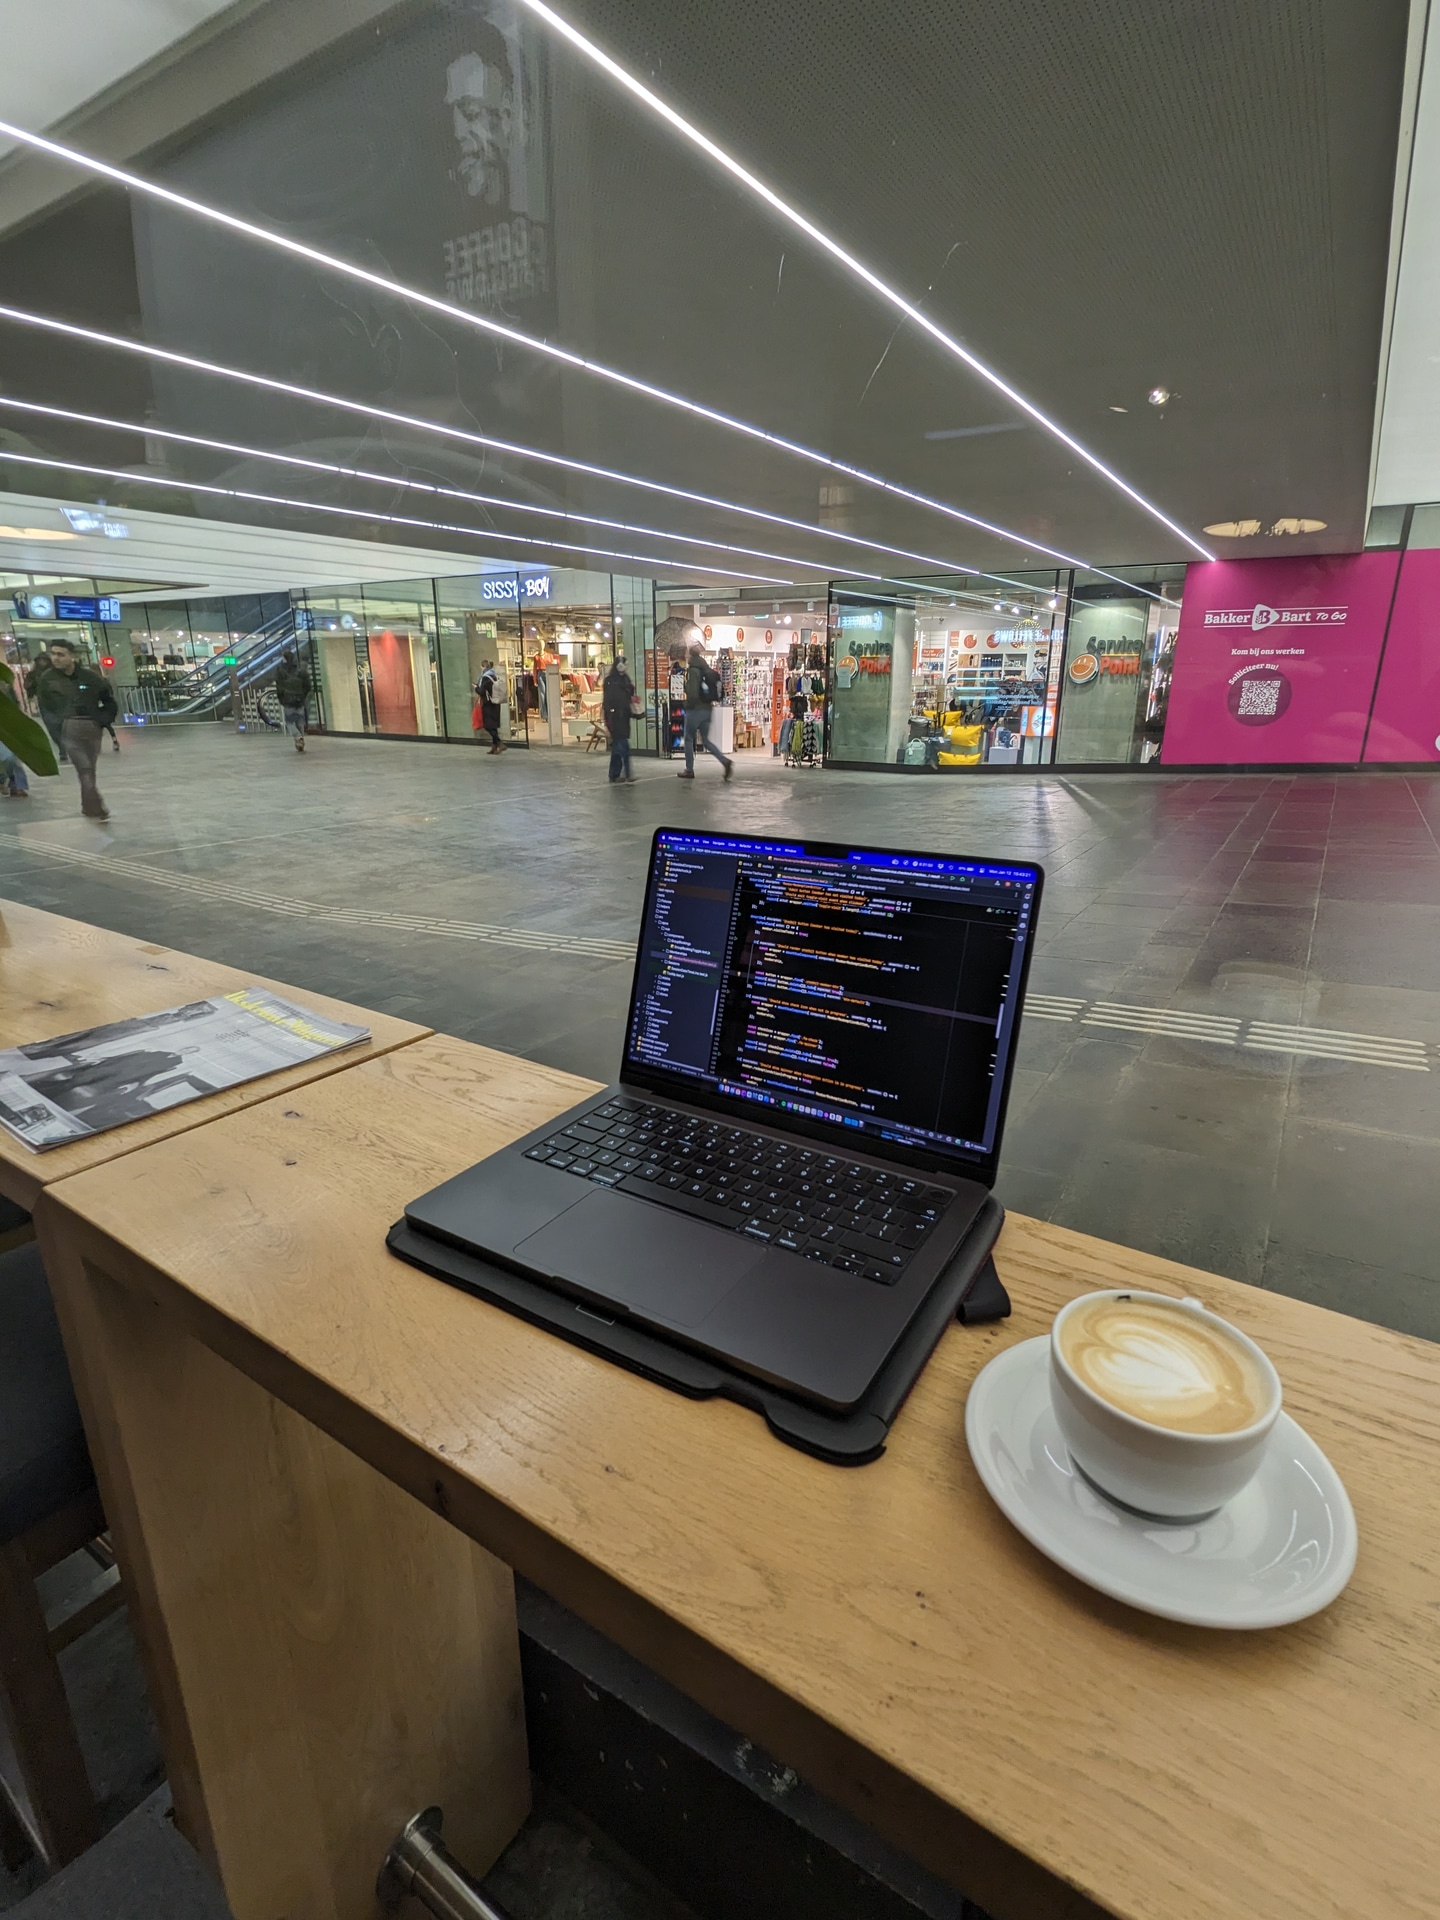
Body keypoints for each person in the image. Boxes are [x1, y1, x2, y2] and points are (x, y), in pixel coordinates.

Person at [35, 640, 116, 820]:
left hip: (91, 727)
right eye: (53, 654)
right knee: (85, 768)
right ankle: (96, 806)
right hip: (68, 728)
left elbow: (109, 700)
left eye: (60, 654)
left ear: (72, 657)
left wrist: (102, 720)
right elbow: (46, 708)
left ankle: (87, 805)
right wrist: (59, 732)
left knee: (88, 769)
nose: (55, 658)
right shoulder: (48, 679)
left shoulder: (90, 677)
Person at [678, 639, 733, 781]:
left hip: (695, 710)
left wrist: (686, 702)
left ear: (690, 656)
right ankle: (724, 761)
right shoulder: (706, 668)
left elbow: (692, 693)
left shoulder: (693, 670)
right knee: (706, 740)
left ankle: (689, 769)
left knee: (689, 738)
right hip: (708, 710)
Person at [602, 652, 638, 784]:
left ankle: (614, 774)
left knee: (617, 749)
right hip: (615, 718)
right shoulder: (610, 681)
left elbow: (629, 695)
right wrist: (607, 718)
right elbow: (607, 701)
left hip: (624, 718)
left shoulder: (625, 680)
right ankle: (628, 773)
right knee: (623, 747)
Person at [24, 647, 65, 762]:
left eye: (44, 660)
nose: (42, 663)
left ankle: (64, 747)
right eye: (40, 661)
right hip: (44, 702)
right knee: (51, 727)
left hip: (58, 701)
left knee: (61, 725)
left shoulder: (56, 672)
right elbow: (28, 686)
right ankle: (62, 747)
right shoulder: (33, 674)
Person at [274, 652, 311, 752]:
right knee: (300, 720)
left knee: (289, 721)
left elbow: (279, 686)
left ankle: (298, 737)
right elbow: (308, 685)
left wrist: (281, 698)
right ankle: (300, 742)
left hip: (288, 700)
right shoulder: (300, 671)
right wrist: (303, 696)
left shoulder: (281, 671)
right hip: (300, 699)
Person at [475, 661, 505, 753]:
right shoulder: (494, 675)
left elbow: (481, 691)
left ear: (484, 667)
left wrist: (476, 687)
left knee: (487, 726)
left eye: (481, 667)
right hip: (495, 703)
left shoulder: (485, 678)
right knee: (493, 726)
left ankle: (499, 743)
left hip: (488, 704)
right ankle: (494, 747)